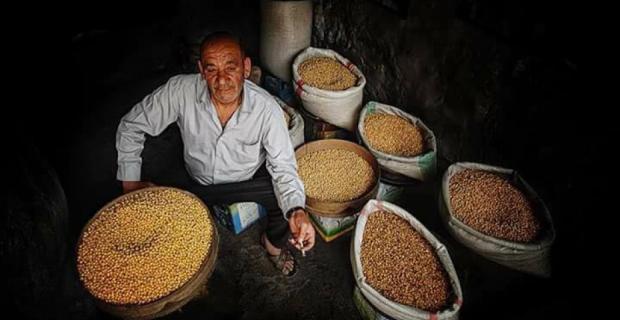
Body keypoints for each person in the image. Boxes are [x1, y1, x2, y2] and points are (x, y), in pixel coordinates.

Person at [115, 31, 314, 276]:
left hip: (244, 180)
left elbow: (284, 167)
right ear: (201, 70)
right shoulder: (180, 91)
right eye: (211, 69)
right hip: (193, 178)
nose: (222, 80)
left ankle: (272, 247)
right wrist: (130, 182)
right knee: (149, 212)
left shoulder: (267, 110)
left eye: (231, 67)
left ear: (246, 67)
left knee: (286, 206)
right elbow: (131, 126)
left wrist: (298, 211)